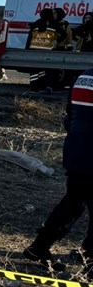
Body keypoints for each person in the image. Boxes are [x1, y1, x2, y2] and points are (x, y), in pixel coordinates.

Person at [22, 64, 93, 265]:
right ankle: (90, 260)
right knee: (74, 203)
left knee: (73, 202)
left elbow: (70, 116)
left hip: (77, 149)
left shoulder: (83, 76)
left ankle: (39, 247)